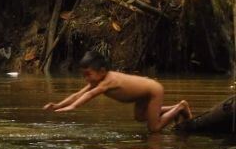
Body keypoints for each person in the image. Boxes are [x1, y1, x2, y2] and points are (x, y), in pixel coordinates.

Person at [43, 51, 192, 132]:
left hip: (153, 91)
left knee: (154, 128)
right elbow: (78, 94)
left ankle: (180, 107)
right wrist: (58, 105)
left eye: (88, 74)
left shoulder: (109, 80)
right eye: (84, 75)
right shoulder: (98, 80)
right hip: (142, 94)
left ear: (102, 71)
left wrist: (73, 107)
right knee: (140, 117)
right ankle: (175, 109)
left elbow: (89, 95)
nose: (86, 78)